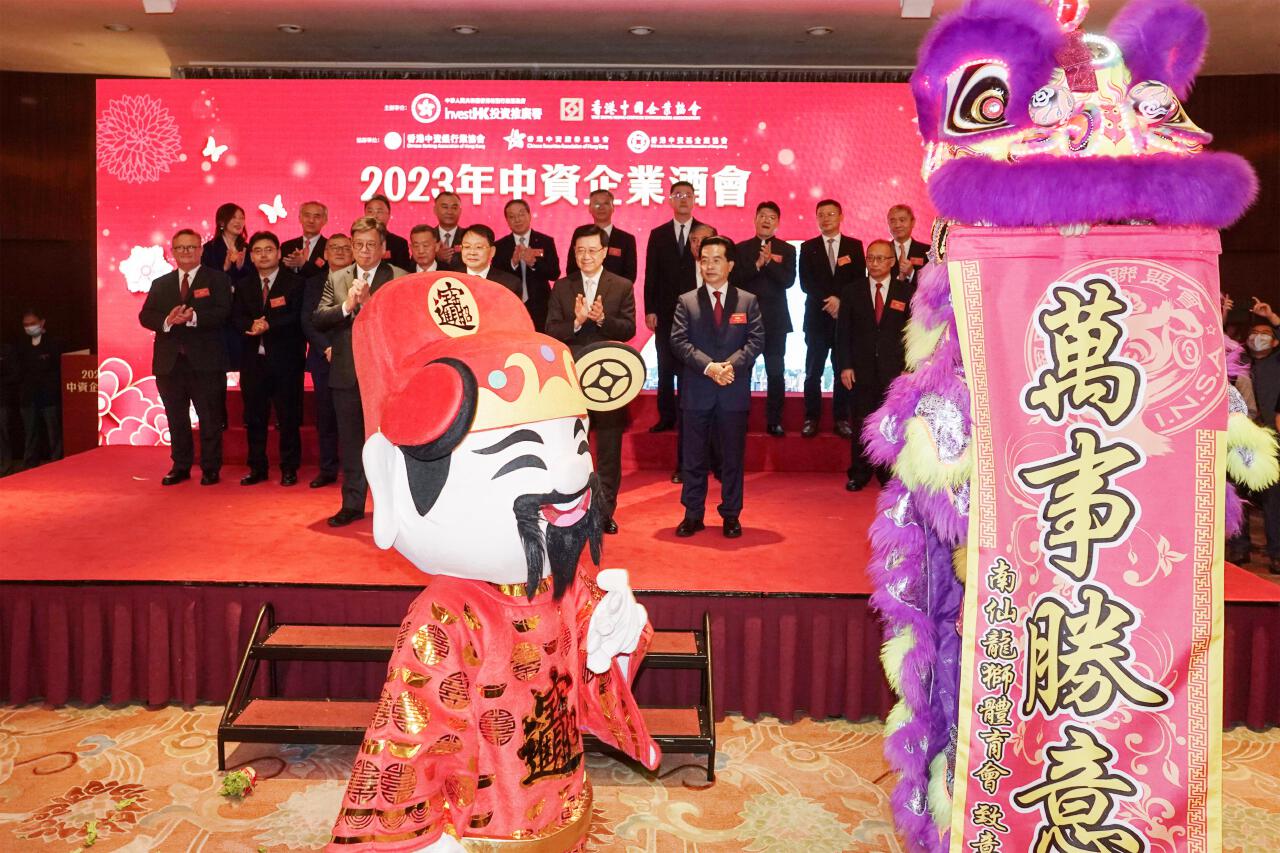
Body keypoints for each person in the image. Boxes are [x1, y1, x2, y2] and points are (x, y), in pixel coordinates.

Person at [313, 216, 408, 526]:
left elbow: (400, 325)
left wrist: (369, 304)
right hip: (347, 374)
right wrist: (346, 306)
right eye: (359, 245)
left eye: (371, 245)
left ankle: (395, 508)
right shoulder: (337, 277)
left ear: (383, 247)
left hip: (385, 377)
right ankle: (352, 504)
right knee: (352, 443)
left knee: (390, 442)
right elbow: (319, 318)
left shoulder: (399, 278)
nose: (364, 251)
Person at [670, 236, 764, 539]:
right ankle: (693, 514)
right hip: (697, 391)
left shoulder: (747, 301)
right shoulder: (686, 301)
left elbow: (756, 341)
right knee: (693, 458)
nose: (709, 266)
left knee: (732, 458)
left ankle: (731, 514)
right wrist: (710, 367)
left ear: (730, 264)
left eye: (716, 259)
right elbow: (678, 341)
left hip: (732, 391)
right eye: (704, 260)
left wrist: (730, 367)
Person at [545, 225, 636, 534]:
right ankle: (570, 511)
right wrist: (577, 321)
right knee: (571, 449)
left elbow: (628, 329)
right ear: (574, 252)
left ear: (604, 252)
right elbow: (550, 330)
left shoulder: (621, 286)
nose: (586, 256)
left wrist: (601, 319)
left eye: (592, 250)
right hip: (571, 382)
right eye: (580, 250)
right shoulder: (562, 287)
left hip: (609, 383)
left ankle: (604, 512)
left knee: (608, 451)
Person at [138, 229, 231, 485]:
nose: (186, 252)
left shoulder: (217, 279)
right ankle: (180, 465)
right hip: (170, 364)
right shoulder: (161, 283)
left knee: (210, 417)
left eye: (191, 247)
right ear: (172, 252)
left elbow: (224, 312)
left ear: (200, 250)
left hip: (206, 362)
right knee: (176, 417)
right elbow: (146, 316)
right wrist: (167, 320)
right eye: (180, 248)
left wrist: (194, 317)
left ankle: (211, 467)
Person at [837, 239, 915, 491]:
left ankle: (887, 474)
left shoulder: (906, 292)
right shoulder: (852, 291)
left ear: (892, 262)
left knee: (891, 422)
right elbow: (843, 332)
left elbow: (913, 334)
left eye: (880, 258)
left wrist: (909, 367)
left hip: (894, 370)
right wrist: (845, 366)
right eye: (870, 258)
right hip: (861, 369)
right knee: (861, 421)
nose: (874, 263)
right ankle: (859, 472)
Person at [233, 231, 306, 486]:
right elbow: (235, 316)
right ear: (251, 257)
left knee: (288, 418)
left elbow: (298, 317)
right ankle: (257, 467)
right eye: (258, 251)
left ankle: (289, 468)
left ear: (278, 253)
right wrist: (250, 325)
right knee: (254, 417)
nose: (263, 255)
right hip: (253, 363)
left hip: (286, 362)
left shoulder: (295, 283)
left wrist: (269, 325)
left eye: (268, 250)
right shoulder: (244, 285)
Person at [798, 199, 863, 439]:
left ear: (841, 216)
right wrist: (830, 300)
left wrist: (841, 301)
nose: (826, 218)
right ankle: (811, 418)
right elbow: (806, 283)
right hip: (817, 318)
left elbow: (858, 280)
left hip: (844, 320)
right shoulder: (808, 247)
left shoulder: (854, 246)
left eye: (831, 214)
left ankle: (841, 419)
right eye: (821, 215)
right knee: (812, 372)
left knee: (842, 370)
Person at [643, 181, 703, 433]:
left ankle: (690, 413)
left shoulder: (705, 231)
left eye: (688, 195)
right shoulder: (658, 234)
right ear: (670, 200)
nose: (683, 199)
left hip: (696, 312)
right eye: (678, 195)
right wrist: (650, 309)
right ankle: (666, 416)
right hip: (665, 311)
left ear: (694, 199)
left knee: (691, 365)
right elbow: (651, 274)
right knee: (665, 365)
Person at [734, 201, 795, 436]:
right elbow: (736, 280)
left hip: (775, 322)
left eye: (771, 217)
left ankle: (774, 420)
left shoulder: (787, 250)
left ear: (777, 223)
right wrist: (757, 265)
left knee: (775, 372)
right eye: (762, 216)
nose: (766, 220)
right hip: (745, 321)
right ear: (755, 219)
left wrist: (769, 263)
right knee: (743, 373)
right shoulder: (741, 249)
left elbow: (788, 281)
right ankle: (740, 418)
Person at [1228, 299, 1280, 572]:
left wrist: (1273, 319)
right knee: (1237, 496)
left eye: (1265, 334)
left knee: (1273, 498)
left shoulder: (1277, 362)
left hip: (1272, 439)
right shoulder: (1239, 362)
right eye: (1254, 333)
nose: (1258, 337)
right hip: (1238, 439)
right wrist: (1222, 314)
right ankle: (1240, 548)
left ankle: (1276, 553)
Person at [300, 234, 353, 489]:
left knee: (354, 417)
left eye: (345, 248)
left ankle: (357, 470)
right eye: (334, 248)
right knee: (326, 415)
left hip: (353, 358)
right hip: (324, 358)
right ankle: (328, 468)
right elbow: (307, 320)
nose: (340, 252)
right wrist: (327, 348)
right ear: (325, 253)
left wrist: (345, 349)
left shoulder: (361, 281)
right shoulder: (313, 283)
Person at [493, 199, 561, 332]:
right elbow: (495, 276)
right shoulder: (500, 246)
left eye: (521, 214)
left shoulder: (545, 241)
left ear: (529, 215)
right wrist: (513, 263)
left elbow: (554, 273)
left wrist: (534, 263)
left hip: (541, 304)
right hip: (511, 304)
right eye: (512, 216)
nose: (517, 220)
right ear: (507, 220)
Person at [16, 308, 65, 468]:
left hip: (48, 396)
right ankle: (30, 464)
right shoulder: (22, 345)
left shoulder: (53, 342)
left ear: (42, 322)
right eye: (25, 324)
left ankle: (57, 463)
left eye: (32, 323)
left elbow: (57, 368)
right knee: (30, 433)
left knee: (53, 432)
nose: (29, 327)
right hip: (29, 397)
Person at [567, 188, 638, 283]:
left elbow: (630, 275)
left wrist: (614, 290)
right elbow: (571, 268)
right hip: (583, 290)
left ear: (613, 208)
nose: (601, 207)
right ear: (589, 208)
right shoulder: (580, 233)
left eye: (606, 203)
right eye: (597, 204)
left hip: (616, 291)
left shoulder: (626, 239)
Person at [457, 224, 523, 293]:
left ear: (492, 251)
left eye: (479, 247)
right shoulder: (452, 279)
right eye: (467, 247)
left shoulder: (510, 284)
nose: (472, 252)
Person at [200, 202, 251, 280]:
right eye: (233, 217)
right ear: (221, 222)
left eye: (242, 218)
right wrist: (225, 268)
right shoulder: (209, 249)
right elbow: (205, 278)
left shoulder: (247, 248)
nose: (238, 221)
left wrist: (240, 268)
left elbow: (252, 277)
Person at [362, 193, 412, 271]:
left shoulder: (399, 244)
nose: (374, 216)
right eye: (370, 211)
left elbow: (404, 273)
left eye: (379, 211)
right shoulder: (357, 242)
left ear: (388, 215)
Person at [281, 200, 329, 278]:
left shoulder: (330, 246)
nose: (311, 220)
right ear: (300, 218)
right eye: (307, 216)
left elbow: (328, 275)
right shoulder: (286, 246)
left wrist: (303, 264)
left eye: (317, 217)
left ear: (325, 221)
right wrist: (292, 267)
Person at [887, 204, 930, 287]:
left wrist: (911, 273)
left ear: (913, 222)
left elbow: (932, 285)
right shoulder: (882, 250)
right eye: (893, 221)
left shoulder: (928, 251)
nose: (897, 225)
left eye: (902, 220)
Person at [433, 191, 466, 271]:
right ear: (435, 210)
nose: (449, 212)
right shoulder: (427, 236)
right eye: (445, 207)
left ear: (460, 211)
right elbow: (413, 266)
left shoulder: (468, 236)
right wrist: (434, 256)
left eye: (454, 208)